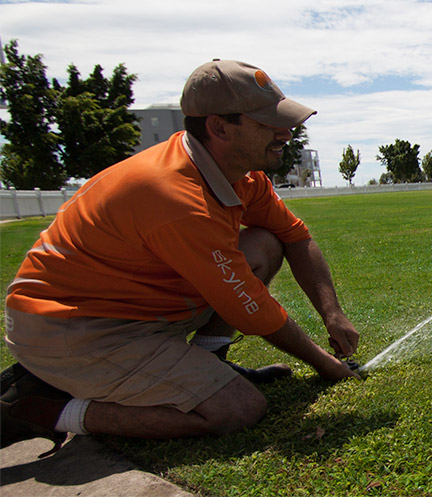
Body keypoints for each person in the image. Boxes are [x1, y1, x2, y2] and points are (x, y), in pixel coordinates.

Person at [2, 59, 360, 455]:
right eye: (267, 122)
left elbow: (294, 237)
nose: (285, 133)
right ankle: (39, 407)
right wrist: (325, 364)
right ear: (219, 127)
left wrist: (333, 313)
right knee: (237, 408)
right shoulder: (174, 197)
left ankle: (211, 360)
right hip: (72, 330)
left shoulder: (242, 175)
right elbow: (251, 309)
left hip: (131, 308)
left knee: (264, 243)